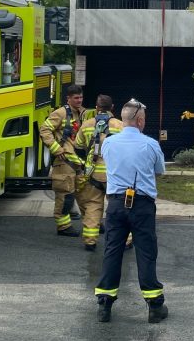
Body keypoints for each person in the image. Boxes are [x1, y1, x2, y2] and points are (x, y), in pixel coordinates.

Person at [93, 98, 167, 323]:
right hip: (142, 204)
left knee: (112, 251)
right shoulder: (151, 144)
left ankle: (104, 304)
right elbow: (160, 171)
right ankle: (154, 305)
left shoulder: (108, 143)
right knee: (146, 252)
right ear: (141, 121)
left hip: (115, 204)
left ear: (123, 120)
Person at [74, 95, 123, 251]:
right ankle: (126, 240)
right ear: (112, 107)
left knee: (93, 207)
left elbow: (78, 146)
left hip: (93, 174)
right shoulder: (121, 126)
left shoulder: (87, 125)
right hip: (115, 175)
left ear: (96, 107)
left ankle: (90, 241)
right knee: (119, 208)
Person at [40, 85, 91, 236]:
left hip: (79, 162)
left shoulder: (82, 113)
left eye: (81, 98)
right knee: (65, 195)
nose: (79, 100)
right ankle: (63, 226)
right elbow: (44, 129)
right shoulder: (60, 113)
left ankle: (91, 222)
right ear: (68, 98)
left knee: (85, 194)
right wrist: (55, 148)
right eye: (76, 98)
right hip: (65, 161)